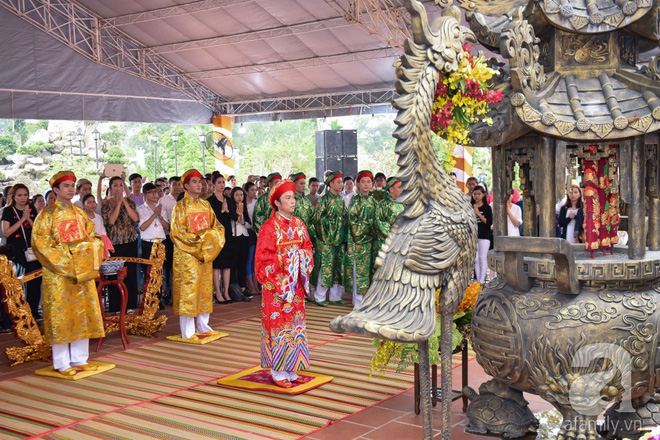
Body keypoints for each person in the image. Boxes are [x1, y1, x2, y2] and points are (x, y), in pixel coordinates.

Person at [32, 171, 105, 376]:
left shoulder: (80, 213)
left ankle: (80, 358)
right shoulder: (47, 215)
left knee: (83, 313)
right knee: (62, 316)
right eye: (66, 186)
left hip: (83, 274)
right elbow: (42, 246)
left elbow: (94, 237)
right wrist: (72, 260)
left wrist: (86, 252)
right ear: (55, 190)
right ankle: (62, 362)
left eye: (73, 185)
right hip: (60, 275)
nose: (71, 189)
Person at [255, 179, 314, 388]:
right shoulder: (269, 228)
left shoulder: (299, 224)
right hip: (277, 286)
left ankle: (292, 368)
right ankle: (278, 371)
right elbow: (263, 259)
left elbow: (308, 247)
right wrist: (289, 260)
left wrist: (300, 257)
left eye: (293, 197)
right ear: (277, 203)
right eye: (287, 198)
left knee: (295, 325)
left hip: (295, 284)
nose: (293, 201)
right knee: (278, 326)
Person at [170, 169, 225, 341]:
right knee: (189, 290)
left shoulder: (205, 205)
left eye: (200, 181)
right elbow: (176, 233)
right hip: (187, 254)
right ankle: (188, 331)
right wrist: (200, 242)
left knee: (204, 289)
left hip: (204, 254)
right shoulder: (180, 207)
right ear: (185, 186)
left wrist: (208, 242)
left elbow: (217, 227)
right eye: (194, 181)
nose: (199, 184)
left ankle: (203, 326)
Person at [1, 184, 41, 319]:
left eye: (25, 195)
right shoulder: (8, 210)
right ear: (13, 196)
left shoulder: (32, 208)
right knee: (20, 283)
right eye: (19, 195)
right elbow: (6, 232)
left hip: (31, 251)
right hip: (16, 252)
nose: (23, 198)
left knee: (34, 283)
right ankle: (20, 314)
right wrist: (22, 219)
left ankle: (34, 312)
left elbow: (37, 230)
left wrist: (28, 218)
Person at [102, 174, 140, 313]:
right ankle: (116, 306)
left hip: (130, 241)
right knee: (115, 274)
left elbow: (135, 219)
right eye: (115, 185)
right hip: (115, 244)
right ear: (111, 188)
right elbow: (111, 221)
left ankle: (130, 305)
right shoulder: (107, 204)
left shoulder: (129, 202)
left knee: (130, 274)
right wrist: (118, 203)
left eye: (120, 185)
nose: (118, 188)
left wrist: (124, 202)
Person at [312, 171, 347, 306]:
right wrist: (331, 227)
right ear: (331, 184)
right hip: (327, 240)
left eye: (341, 182)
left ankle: (335, 296)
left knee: (338, 267)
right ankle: (319, 297)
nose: (341, 184)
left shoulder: (340, 199)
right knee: (326, 268)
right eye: (338, 182)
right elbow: (317, 219)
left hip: (339, 239)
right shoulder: (324, 200)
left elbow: (345, 216)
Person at [345, 170, 377, 306]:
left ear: (372, 184)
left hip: (371, 242)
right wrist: (369, 227)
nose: (366, 184)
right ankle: (358, 303)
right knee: (358, 271)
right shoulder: (354, 201)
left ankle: (368, 302)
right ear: (358, 184)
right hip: (358, 242)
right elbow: (353, 223)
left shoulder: (373, 201)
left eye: (368, 181)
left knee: (370, 271)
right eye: (363, 181)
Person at [208, 174, 235, 304]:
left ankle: (226, 292)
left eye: (223, 182)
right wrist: (222, 211)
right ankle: (217, 292)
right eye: (219, 182)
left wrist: (228, 210)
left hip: (228, 233)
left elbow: (234, 216)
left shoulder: (228, 199)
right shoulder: (210, 201)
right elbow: (210, 219)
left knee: (227, 264)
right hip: (215, 235)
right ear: (213, 184)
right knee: (217, 265)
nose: (222, 185)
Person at [137, 182, 169, 262]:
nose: (154, 194)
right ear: (144, 195)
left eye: (155, 192)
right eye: (151, 192)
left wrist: (160, 216)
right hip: (148, 243)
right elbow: (142, 227)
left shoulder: (161, 207)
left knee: (162, 270)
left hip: (161, 242)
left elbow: (167, 227)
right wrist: (155, 214)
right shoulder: (140, 209)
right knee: (149, 270)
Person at [373, 177, 404, 260]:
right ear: (391, 189)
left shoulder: (404, 204)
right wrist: (394, 236)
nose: (402, 189)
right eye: (399, 187)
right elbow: (380, 224)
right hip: (386, 244)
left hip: (401, 243)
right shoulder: (382, 205)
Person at [230, 186, 252, 299]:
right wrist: (237, 214)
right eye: (237, 195)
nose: (240, 197)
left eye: (241, 195)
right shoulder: (230, 207)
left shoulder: (245, 208)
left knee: (243, 263)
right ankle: (234, 288)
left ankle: (243, 287)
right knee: (234, 263)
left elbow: (249, 224)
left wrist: (243, 221)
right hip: (234, 237)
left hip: (244, 237)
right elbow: (231, 222)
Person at [472, 185, 492, 284]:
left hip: (484, 236)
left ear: (483, 195)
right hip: (473, 236)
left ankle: (481, 282)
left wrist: (478, 213)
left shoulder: (487, 208)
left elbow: (488, 223)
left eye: (479, 194)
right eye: (475, 194)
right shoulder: (470, 206)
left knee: (482, 258)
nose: (476, 196)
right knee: (475, 259)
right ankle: (478, 282)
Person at [244, 181, 259, 295]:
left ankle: (255, 280)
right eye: (252, 190)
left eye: (255, 190)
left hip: (256, 232)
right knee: (249, 258)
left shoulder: (257, 203)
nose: (254, 192)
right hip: (246, 232)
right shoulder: (243, 204)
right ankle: (249, 281)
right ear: (246, 191)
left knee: (255, 258)